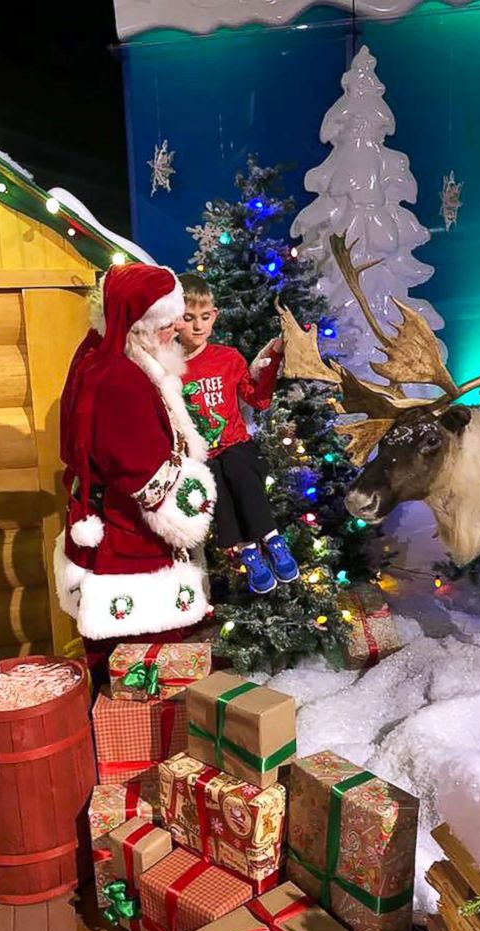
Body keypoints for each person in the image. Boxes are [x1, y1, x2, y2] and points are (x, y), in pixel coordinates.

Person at [54, 263, 216, 685]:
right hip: (131, 543)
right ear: (138, 325)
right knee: (146, 665)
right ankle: (147, 741)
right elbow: (144, 477)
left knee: (125, 663)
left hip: (110, 531)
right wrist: (192, 507)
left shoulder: (105, 354)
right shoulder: (119, 380)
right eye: (167, 323)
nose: (177, 330)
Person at [176, 273, 299, 595]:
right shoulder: (168, 367)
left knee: (236, 466)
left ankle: (273, 540)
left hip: (237, 446)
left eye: (205, 317)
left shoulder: (227, 358)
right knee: (214, 479)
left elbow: (258, 399)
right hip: (202, 455)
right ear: (174, 320)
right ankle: (248, 551)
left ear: (214, 314)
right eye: (189, 319)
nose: (199, 326)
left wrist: (273, 363)